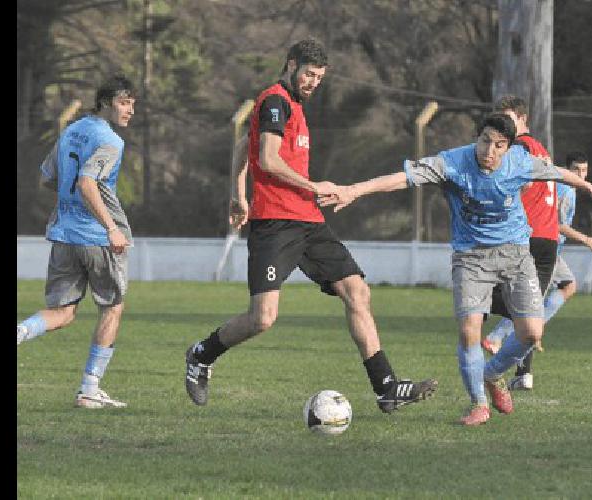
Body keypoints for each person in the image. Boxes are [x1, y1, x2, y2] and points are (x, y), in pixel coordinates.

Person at [184, 39, 438, 414]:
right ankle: (201, 355)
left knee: (357, 291)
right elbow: (266, 158)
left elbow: (244, 147)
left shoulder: (293, 108)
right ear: (290, 66)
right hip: (275, 224)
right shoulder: (274, 101)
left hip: (308, 221)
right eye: (308, 74)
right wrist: (312, 186)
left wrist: (238, 195)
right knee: (262, 318)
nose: (313, 82)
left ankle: (386, 386)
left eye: (319, 77)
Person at [319, 113, 592, 425]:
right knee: (469, 330)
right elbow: (400, 179)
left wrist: (588, 187)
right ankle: (478, 405)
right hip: (471, 258)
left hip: (516, 255)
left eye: (499, 145)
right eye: (485, 140)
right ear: (477, 137)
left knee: (531, 333)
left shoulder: (521, 162)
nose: (489, 150)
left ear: (509, 147)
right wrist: (352, 190)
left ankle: (492, 374)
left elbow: (558, 174)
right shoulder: (452, 164)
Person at [16, 75, 137, 409]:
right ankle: (89, 389)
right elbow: (87, 183)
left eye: (132, 104)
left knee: (63, 313)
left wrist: (72, 207)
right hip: (99, 239)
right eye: (124, 103)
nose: (130, 111)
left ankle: (19, 332)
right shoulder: (110, 141)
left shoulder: (71, 130)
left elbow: (48, 178)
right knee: (112, 308)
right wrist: (111, 227)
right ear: (105, 102)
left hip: (64, 234)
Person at [485, 151, 592, 390]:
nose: (580, 175)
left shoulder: (559, 187)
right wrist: (586, 239)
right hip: (547, 251)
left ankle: (513, 349)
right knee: (532, 304)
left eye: (584, 171)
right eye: (576, 170)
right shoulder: (564, 189)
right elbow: (558, 224)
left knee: (560, 290)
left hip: (549, 250)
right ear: (566, 169)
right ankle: (504, 342)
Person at [482, 96, 559, 367]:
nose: (504, 126)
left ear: (522, 119)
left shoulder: (520, 147)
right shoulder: (540, 148)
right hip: (545, 236)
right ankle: (517, 374)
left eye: (508, 119)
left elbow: (520, 184)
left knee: (526, 312)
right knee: (529, 314)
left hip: (530, 234)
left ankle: (479, 302)